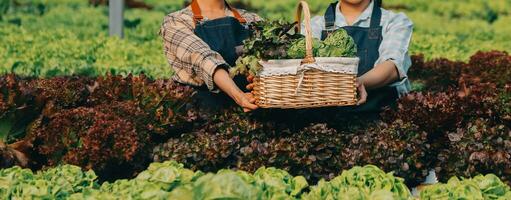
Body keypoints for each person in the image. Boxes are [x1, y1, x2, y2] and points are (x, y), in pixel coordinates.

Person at [307, 0, 413, 112]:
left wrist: (357, 83)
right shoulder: (313, 25)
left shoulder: (395, 21)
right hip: (327, 115)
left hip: (379, 114)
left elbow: (392, 68)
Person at [159, 0, 260, 112]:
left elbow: (271, 60)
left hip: (250, 103)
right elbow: (203, 59)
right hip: (202, 108)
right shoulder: (176, 21)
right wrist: (238, 95)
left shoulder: (251, 19)